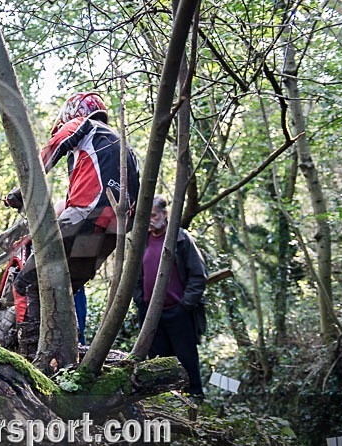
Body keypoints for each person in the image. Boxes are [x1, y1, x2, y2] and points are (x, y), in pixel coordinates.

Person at [13, 91, 140, 361]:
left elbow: (46, 155)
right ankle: (64, 355)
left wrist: (19, 191)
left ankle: (33, 357)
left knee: (28, 280)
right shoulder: (127, 148)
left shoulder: (84, 126)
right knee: (63, 289)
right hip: (110, 233)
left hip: (83, 217)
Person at [134, 195, 207, 398]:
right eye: (146, 216)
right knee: (158, 360)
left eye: (153, 215)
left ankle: (194, 399)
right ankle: (166, 399)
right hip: (150, 315)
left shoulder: (181, 239)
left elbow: (198, 275)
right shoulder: (141, 242)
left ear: (165, 215)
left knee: (186, 358)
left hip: (178, 313)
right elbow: (134, 277)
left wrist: (185, 305)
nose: (149, 219)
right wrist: (140, 300)